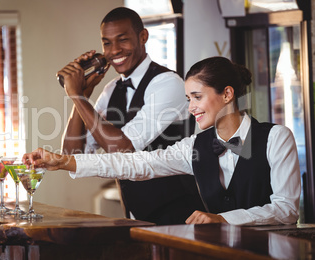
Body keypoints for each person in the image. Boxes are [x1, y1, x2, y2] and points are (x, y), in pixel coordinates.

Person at [24, 56, 301, 225]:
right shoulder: (196, 145)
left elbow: (286, 210)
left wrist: (224, 219)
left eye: (197, 97)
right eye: (188, 99)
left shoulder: (276, 138)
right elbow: (136, 164)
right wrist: (64, 161)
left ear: (227, 94)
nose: (191, 107)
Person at [57, 6, 204, 225]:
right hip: (137, 216)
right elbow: (72, 155)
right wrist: (80, 98)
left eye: (122, 40)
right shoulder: (110, 90)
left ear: (143, 36)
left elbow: (124, 149)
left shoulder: (168, 83)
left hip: (181, 215)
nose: (114, 50)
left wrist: (77, 95)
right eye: (106, 43)